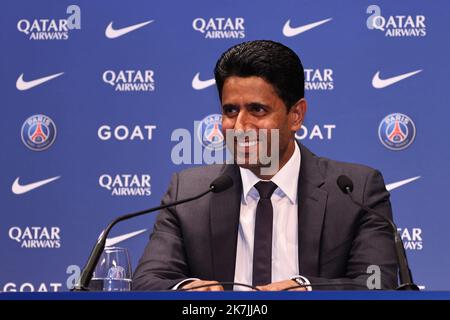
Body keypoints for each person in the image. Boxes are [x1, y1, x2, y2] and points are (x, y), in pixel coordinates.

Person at [132, 40, 398, 291]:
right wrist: (185, 289)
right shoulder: (188, 193)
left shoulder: (356, 191)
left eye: (257, 110)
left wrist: (309, 289)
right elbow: (148, 280)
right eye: (230, 111)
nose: (240, 127)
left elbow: (377, 282)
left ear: (296, 115)